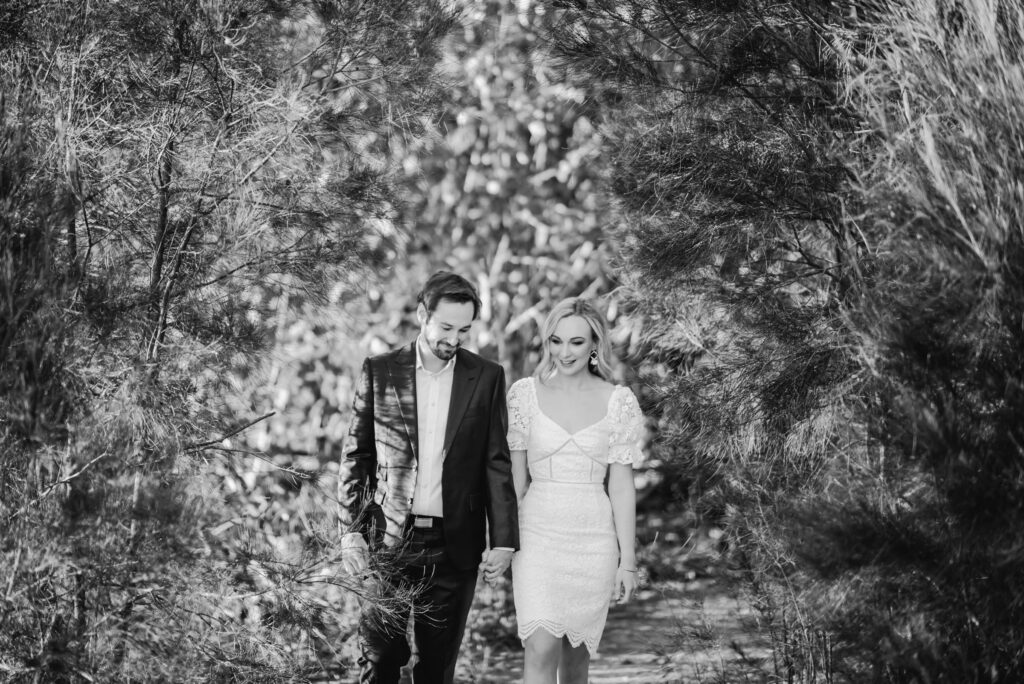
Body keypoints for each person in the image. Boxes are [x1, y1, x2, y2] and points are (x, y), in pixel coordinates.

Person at [338, 271, 520, 684]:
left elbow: (496, 461)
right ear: (422, 314)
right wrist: (350, 531)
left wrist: (504, 540)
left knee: (436, 670)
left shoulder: (487, 376)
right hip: (387, 542)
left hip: (454, 547)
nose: (454, 339)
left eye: (464, 330)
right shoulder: (380, 371)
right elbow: (356, 455)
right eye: (446, 327)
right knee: (379, 660)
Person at [491, 297, 644, 684]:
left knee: (576, 666)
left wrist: (627, 561)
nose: (564, 352)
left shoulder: (618, 401)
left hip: (593, 540)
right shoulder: (525, 394)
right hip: (538, 535)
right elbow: (515, 481)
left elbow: (621, 487)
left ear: (595, 344)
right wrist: (500, 540)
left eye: (576, 342)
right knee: (541, 649)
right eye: (556, 341)